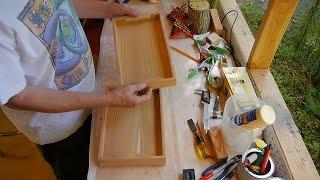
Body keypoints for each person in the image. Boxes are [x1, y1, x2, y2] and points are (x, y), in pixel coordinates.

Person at [0, 0, 152, 179]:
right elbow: (18, 96)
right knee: (83, 172)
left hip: (91, 96)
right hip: (60, 129)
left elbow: (60, 4)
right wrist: (108, 99)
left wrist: (107, 9)